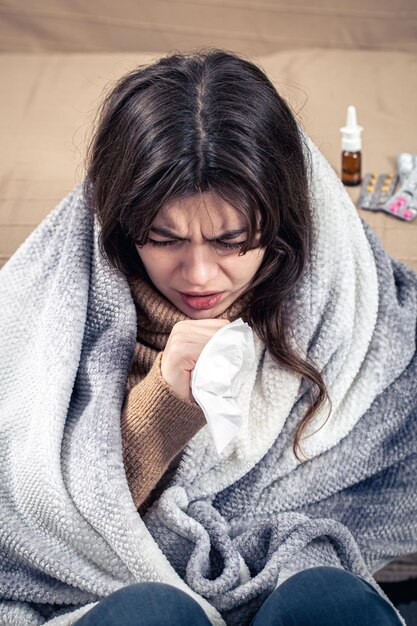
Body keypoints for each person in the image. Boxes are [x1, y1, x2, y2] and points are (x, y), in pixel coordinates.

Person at [1, 48, 416, 626]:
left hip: (297, 584)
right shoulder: (60, 309)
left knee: (330, 599)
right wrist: (160, 407)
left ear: (281, 222)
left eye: (231, 241)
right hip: (115, 596)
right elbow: (34, 511)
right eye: (163, 238)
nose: (198, 277)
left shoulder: (339, 304)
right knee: (152, 614)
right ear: (122, 223)